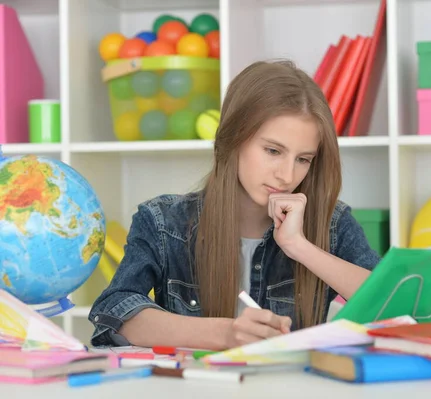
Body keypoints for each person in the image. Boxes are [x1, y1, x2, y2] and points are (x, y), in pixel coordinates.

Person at [88, 59, 381, 350]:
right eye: (272, 150)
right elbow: (115, 311)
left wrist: (298, 245)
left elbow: (395, 305)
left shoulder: (332, 223)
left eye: (303, 159)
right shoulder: (164, 222)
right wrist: (225, 334)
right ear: (233, 138)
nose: (287, 175)